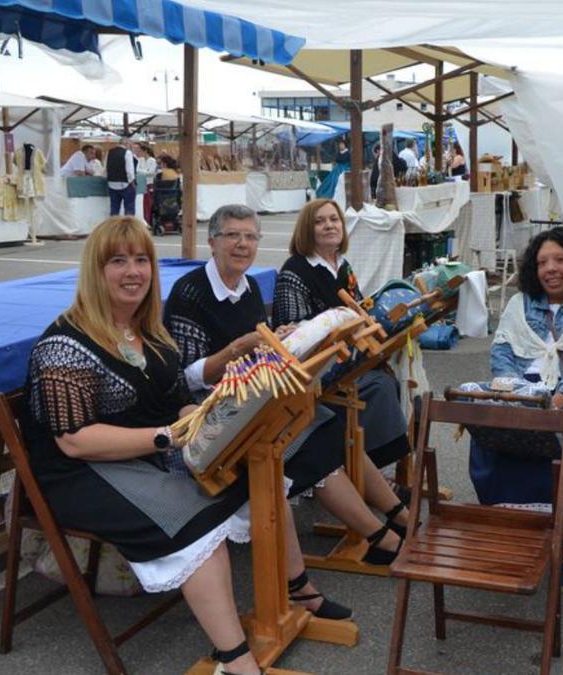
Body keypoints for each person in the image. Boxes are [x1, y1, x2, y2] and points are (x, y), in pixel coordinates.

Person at [22, 217, 345, 675]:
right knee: (195, 523)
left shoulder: (148, 334)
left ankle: (299, 591)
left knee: (262, 476)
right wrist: (168, 437)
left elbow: (176, 402)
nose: (133, 272)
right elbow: (74, 440)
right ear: (95, 271)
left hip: (143, 454)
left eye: (141, 261)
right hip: (81, 473)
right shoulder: (64, 344)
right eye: (118, 261)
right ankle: (235, 659)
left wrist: (218, 422)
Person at [167, 204, 407, 566]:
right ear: (212, 241)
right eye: (233, 235)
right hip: (212, 406)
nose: (242, 245)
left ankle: (395, 514)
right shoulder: (191, 292)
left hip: (254, 392)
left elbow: (257, 349)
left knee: (329, 423)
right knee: (305, 437)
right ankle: (380, 536)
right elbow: (186, 376)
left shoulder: (246, 286)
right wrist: (239, 348)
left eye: (250, 237)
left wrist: (276, 339)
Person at [471, 226, 563, 589]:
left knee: (550, 447)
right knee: (489, 436)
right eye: (542, 262)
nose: (551, 268)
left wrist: (560, 398)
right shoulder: (519, 305)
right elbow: (501, 354)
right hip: (522, 396)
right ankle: (516, 531)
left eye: (560, 260)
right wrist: (515, 392)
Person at [273, 198, 414, 471]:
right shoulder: (295, 271)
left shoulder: (343, 266)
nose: (329, 226)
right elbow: (292, 331)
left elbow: (360, 310)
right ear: (306, 230)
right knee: (380, 386)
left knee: (393, 374)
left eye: (334, 220)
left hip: (347, 356)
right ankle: (372, 470)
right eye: (320, 221)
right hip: (316, 369)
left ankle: (373, 468)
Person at [106, 137, 137, 216]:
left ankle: (113, 226)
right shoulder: (127, 153)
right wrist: (132, 182)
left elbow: (105, 168)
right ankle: (128, 227)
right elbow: (129, 170)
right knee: (129, 208)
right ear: (126, 143)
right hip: (125, 184)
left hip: (111, 183)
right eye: (130, 144)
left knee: (114, 208)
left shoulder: (109, 152)